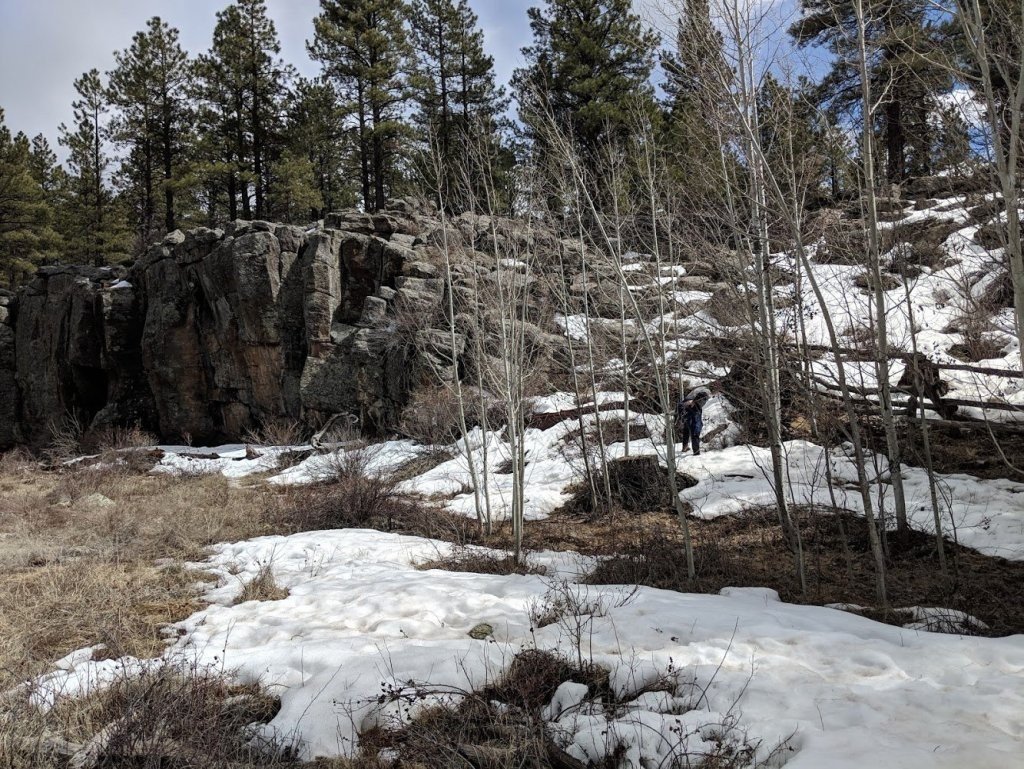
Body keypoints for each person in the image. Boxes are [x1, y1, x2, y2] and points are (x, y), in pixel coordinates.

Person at [675, 384, 712, 455]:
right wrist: (694, 402)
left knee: (687, 427)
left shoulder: (697, 390)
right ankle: (696, 452)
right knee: (695, 429)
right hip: (693, 408)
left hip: (684, 407)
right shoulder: (706, 390)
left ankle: (685, 447)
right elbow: (702, 394)